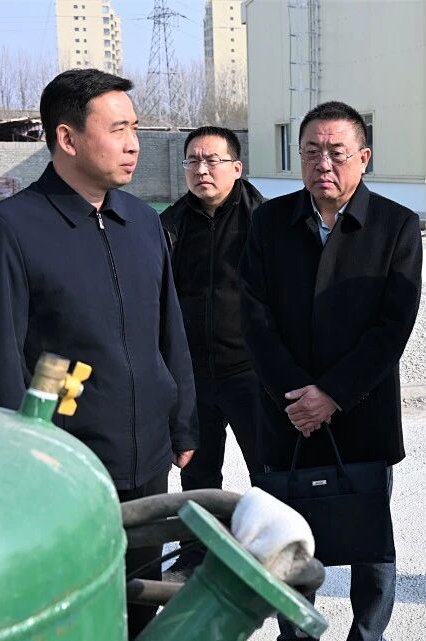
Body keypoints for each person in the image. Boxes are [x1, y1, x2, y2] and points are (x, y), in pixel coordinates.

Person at [0, 69, 198, 641]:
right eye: (117, 129)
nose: (134, 144)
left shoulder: (142, 222)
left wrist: (183, 422)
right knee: (75, 621)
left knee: (139, 607)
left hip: (148, 463)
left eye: (134, 128)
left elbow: (169, 331)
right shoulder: (8, 230)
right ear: (67, 138)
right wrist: (22, 465)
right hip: (65, 469)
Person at [240, 100, 422, 641]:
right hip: (286, 411)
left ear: (363, 158)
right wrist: (297, 395)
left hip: (361, 411)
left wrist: (333, 395)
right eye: (312, 151)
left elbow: (392, 327)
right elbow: (253, 317)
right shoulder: (269, 223)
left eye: (337, 152)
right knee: (289, 541)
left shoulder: (395, 226)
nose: (324, 163)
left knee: (370, 541)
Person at [159, 126, 264, 576]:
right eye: (192, 161)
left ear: (236, 168)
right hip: (193, 374)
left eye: (212, 161)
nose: (201, 170)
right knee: (197, 475)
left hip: (252, 373)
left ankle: (266, 556)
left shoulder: (265, 220)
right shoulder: (169, 225)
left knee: (268, 470)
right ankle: (196, 556)